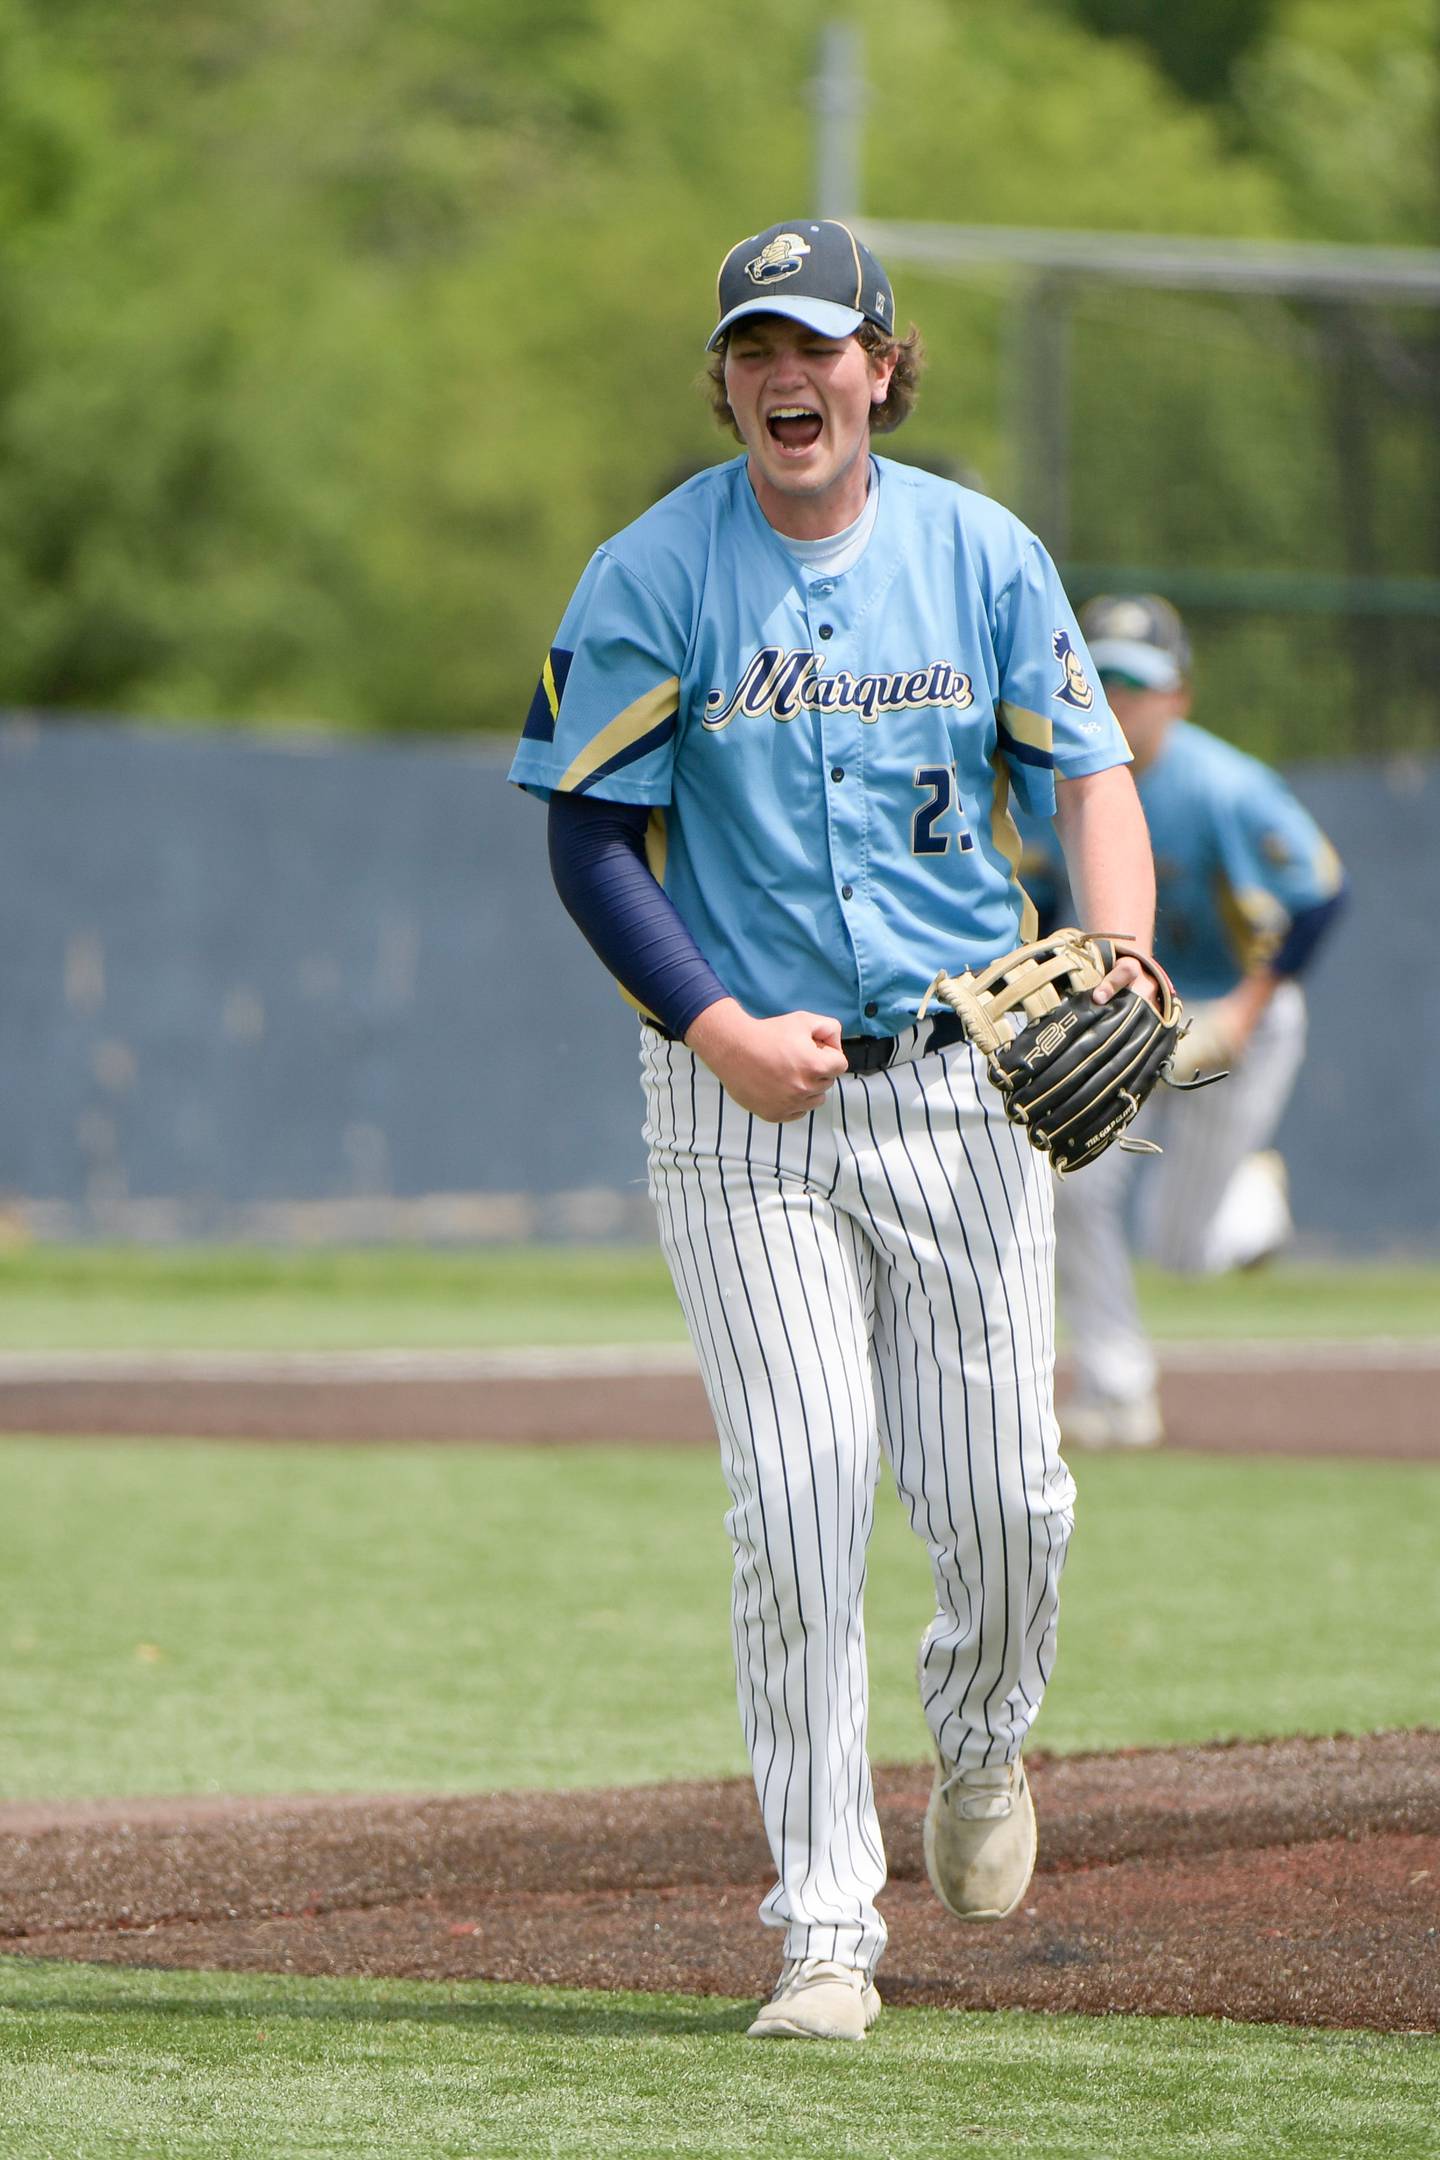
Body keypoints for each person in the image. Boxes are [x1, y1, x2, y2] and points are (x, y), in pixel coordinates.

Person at [509, 219, 1161, 2042]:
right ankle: (820, 1928)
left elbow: (1090, 772)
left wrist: (1121, 948)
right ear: (724, 380)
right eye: (754, 349)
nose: (789, 377)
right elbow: (586, 836)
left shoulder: (980, 554)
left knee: (1007, 1501)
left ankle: (981, 1743)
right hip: (741, 1109)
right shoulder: (653, 573)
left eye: (821, 345)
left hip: (963, 1084)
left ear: (884, 363)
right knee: (797, 1498)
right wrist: (712, 1025)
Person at [1024, 593, 1348, 1451]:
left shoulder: (1226, 785)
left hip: (1229, 1012)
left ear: (1180, 694)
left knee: (1183, 1247)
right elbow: (1047, 901)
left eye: (1140, 680)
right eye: (1104, 676)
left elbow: (1320, 893)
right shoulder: (1056, 780)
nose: (1121, 696)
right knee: (1073, 1191)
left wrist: (1247, 1006)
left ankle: (1252, 1205)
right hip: (1125, 1013)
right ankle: (1118, 1388)